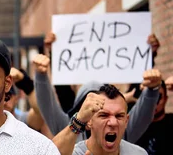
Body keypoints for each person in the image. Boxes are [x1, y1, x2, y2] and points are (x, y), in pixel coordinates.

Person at [32, 53, 162, 144]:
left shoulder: (119, 132)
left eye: (100, 104)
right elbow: (47, 106)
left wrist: (152, 90)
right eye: (88, 104)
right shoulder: (68, 129)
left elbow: (142, 116)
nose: (111, 122)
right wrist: (41, 75)